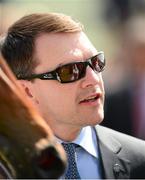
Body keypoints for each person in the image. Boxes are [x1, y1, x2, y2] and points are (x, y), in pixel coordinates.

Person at [1, 13, 145, 179]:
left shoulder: (140, 160)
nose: (93, 79)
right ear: (26, 91)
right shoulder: (7, 171)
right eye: (70, 71)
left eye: (96, 62)